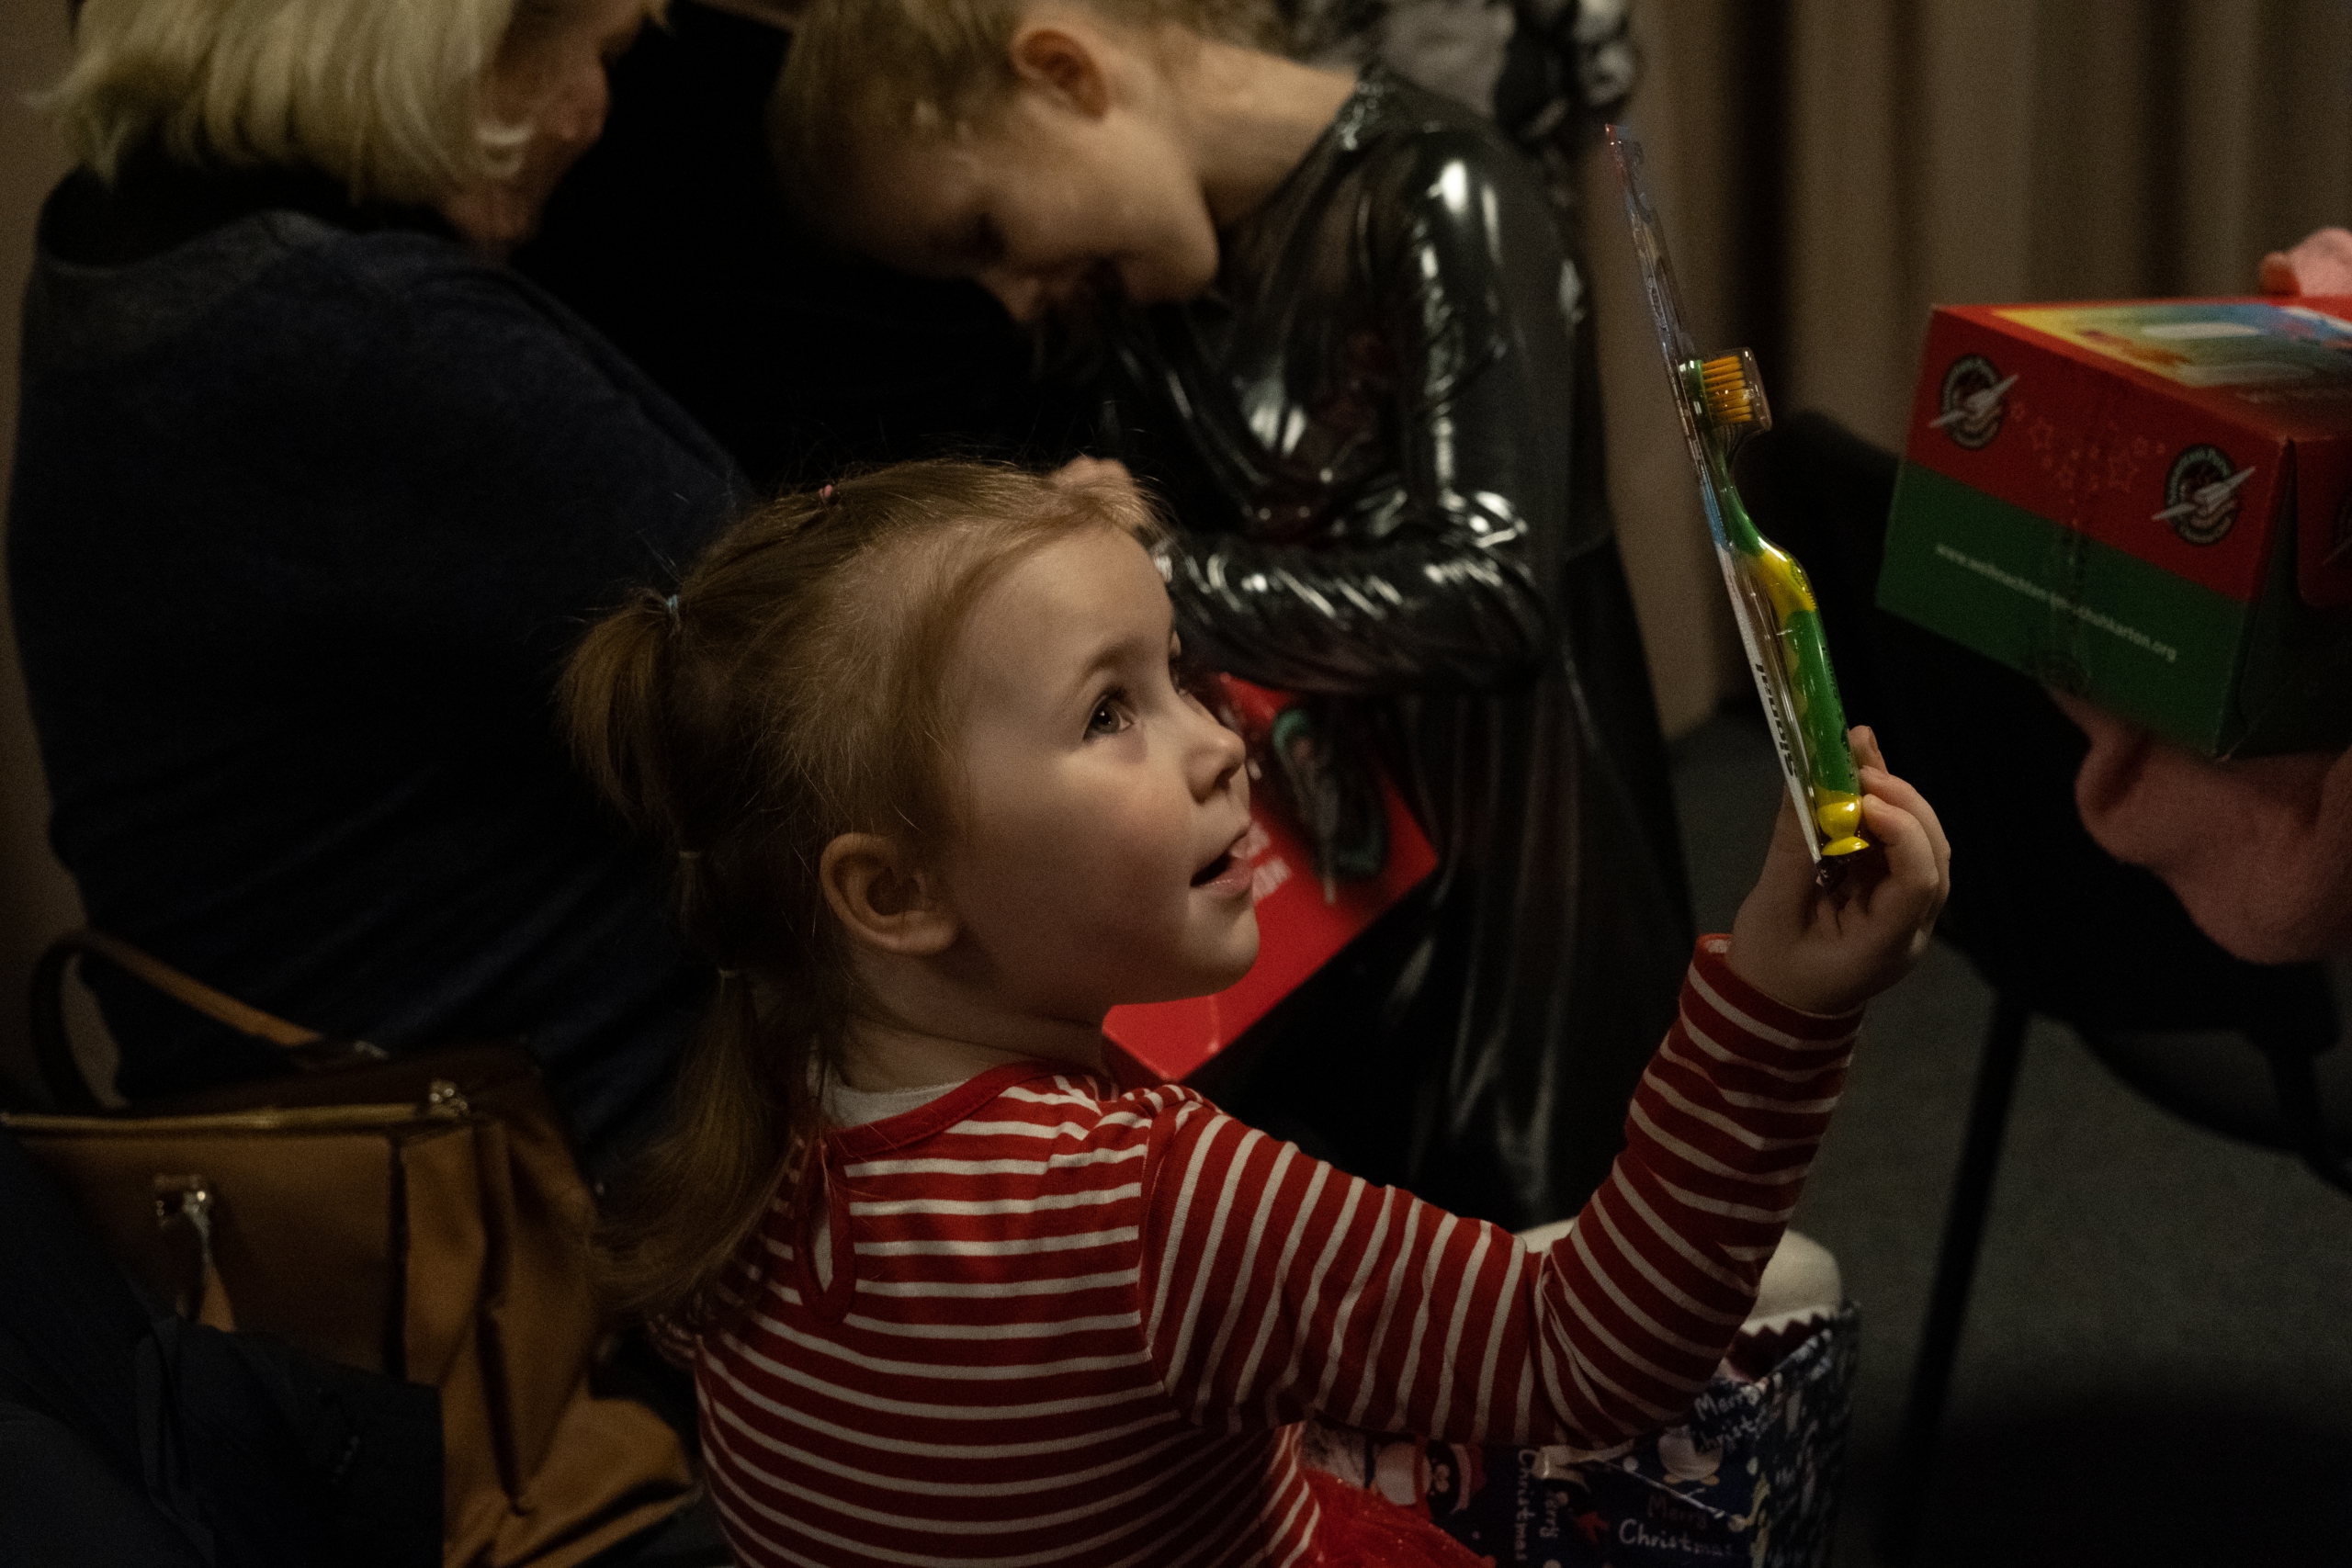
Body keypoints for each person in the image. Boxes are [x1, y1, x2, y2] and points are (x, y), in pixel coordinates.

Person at [559, 459, 1951, 1567]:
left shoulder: (747, 1126)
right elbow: (1581, 1348)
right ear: (895, 890)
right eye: (1109, 714)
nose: (1222, 742)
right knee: (1789, 1289)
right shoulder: (1150, 1205)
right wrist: (1778, 1006)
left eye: (1174, 673)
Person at [767, 0, 1693, 1231]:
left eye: (988, 234)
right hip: (1319, 884)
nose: (1016, 299)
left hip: (1521, 898)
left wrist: (1156, 572)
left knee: (1540, 1280)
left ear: (1064, 73)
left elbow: (1493, 600)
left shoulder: (1438, 195)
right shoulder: (1139, 284)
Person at [10, 0, 745, 1159]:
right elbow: (793, 655)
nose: (588, 112)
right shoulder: (358, 336)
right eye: (585, 53)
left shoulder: (132, 247)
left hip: (346, 1146)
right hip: (552, 1174)